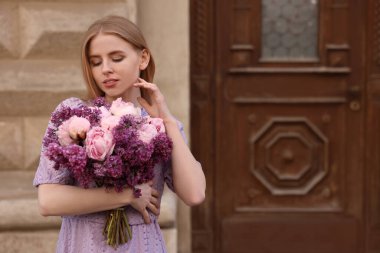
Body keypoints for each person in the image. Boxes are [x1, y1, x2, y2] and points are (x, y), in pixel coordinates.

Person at [33, 15, 206, 253]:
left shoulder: (161, 125)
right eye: (95, 62)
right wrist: (127, 195)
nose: (106, 69)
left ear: (143, 58)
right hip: (83, 245)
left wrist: (168, 121)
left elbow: (195, 194)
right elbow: (48, 201)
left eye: (117, 58)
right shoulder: (72, 116)